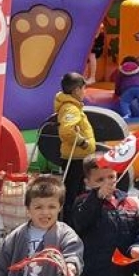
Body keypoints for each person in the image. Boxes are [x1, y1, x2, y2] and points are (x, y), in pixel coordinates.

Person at [55, 72, 96, 225]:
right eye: (84, 89)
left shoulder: (72, 106)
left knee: (78, 194)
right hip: (75, 158)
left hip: (78, 158)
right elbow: (66, 131)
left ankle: (76, 223)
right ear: (77, 90)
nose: (84, 92)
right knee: (73, 195)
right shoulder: (70, 108)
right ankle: (70, 224)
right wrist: (82, 142)